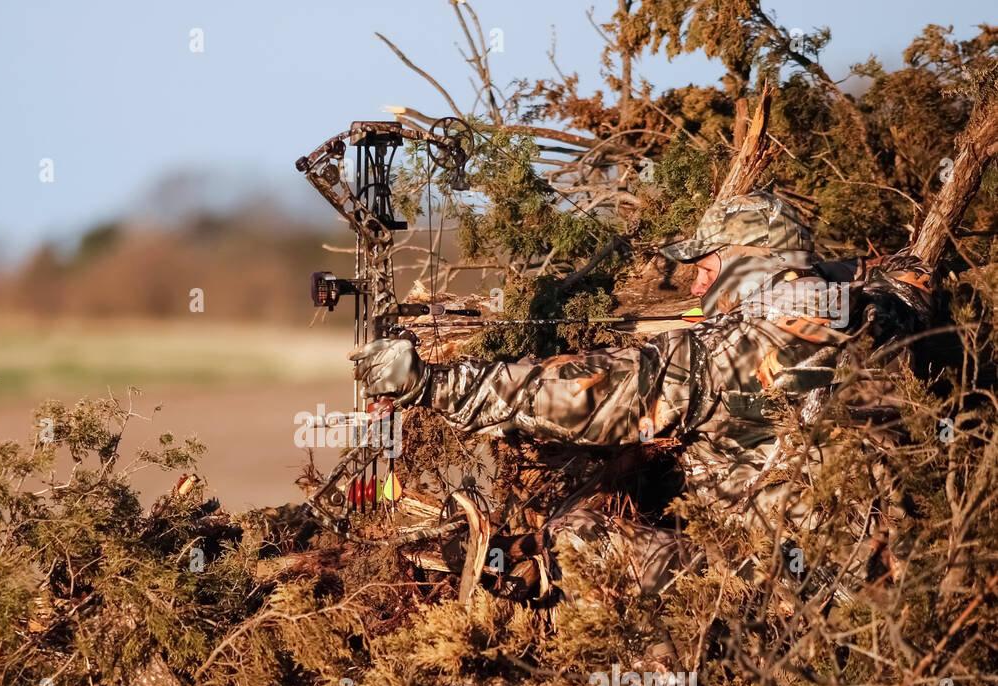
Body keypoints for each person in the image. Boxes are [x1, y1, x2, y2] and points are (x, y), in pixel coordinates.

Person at [351, 191, 934, 661]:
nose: (697, 287)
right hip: (880, 585)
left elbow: (595, 396)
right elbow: (903, 275)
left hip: (788, 604)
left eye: (708, 269)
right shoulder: (876, 314)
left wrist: (433, 385)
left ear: (753, 264)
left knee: (577, 540)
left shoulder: (734, 349)